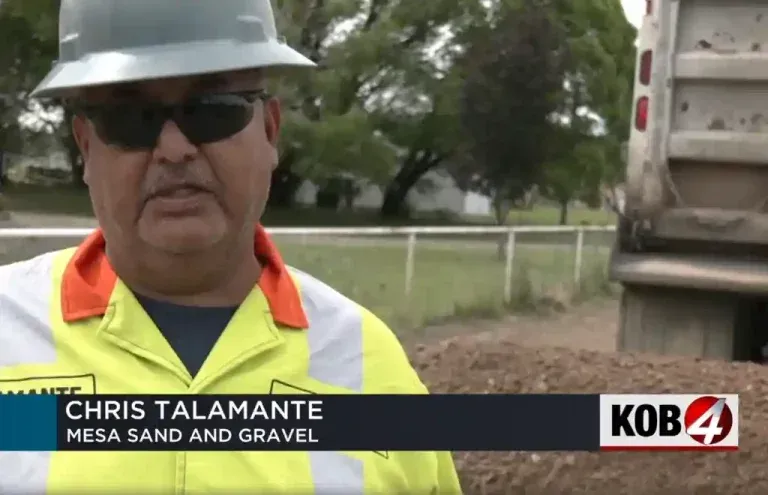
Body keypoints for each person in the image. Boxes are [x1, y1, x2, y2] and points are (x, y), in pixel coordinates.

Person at [0, 0, 463, 493]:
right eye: (129, 118)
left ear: (270, 130)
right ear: (86, 147)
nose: (174, 149)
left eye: (213, 111)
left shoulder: (368, 363)